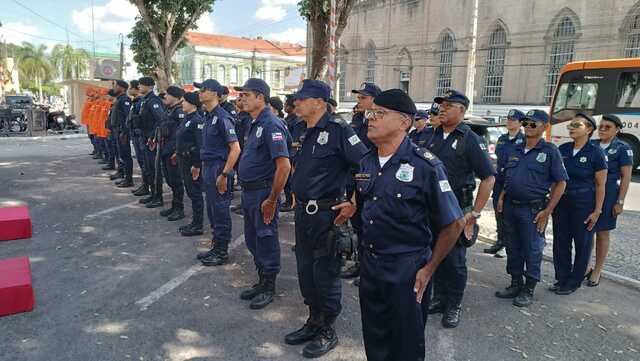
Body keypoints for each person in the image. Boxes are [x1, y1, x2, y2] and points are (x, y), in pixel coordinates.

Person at [357, 89, 464, 361]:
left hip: (406, 268)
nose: (371, 118)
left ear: (404, 122)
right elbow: (366, 202)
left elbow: (453, 223)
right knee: (375, 336)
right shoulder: (366, 161)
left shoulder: (426, 166)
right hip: (370, 264)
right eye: (371, 113)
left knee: (405, 344)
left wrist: (428, 270)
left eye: (379, 114)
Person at [284, 80, 367, 358]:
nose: (296, 102)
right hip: (303, 214)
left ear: (319, 102)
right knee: (305, 272)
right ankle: (313, 320)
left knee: (326, 275)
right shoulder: (299, 129)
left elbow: (365, 166)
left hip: (327, 215)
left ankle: (327, 328)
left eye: (301, 98)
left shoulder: (338, 130)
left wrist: (354, 202)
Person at [426, 89, 495, 328]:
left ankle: (453, 304)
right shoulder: (430, 135)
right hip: (431, 208)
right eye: (441, 105)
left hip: (457, 208)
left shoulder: (469, 139)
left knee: (454, 260)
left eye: (448, 105)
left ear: (462, 110)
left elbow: (488, 178)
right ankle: (439, 297)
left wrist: (474, 214)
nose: (442, 109)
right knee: (435, 253)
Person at [495, 110, 568, 307]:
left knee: (532, 249)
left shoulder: (550, 151)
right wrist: (501, 197)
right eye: (526, 123)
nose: (528, 126)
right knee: (512, 246)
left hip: (533, 210)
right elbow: (508, 178)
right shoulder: (516, 149)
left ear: (545, 127)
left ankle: (529, 287)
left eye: (533, 124)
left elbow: (561, 183)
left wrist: (548, 211)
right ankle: (515, 282)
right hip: (510, 207)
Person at [235, 78, 291, 309]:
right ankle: (261, 280)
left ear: (260, 97)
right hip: (250, 192)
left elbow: (284, 166)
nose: (242, 99)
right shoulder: (254, 123)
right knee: (252, 238)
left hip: (263, 193)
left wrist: (272, 199)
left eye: (246, 95)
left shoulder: (271, 124)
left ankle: (269, 285)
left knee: (265, 237)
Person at [552, 113, 607, 295]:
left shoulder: (596, 152)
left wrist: (597, 210)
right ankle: (561, 278)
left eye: (576, 125)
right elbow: (555, 178)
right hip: (562, 202)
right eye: (570, 125)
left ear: (589, 129)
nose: (571, 128)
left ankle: (574, 281)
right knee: (561, 241)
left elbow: (601, 184)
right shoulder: (564, 149)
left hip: (584, 203)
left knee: (582, 243)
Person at [193, 79, 241, 266]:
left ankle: (222, 251)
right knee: (212, 210)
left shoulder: (222, 117)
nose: (199, 93)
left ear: (214, 93)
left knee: (220, 210)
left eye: (203, 90)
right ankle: (216, 246)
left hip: (218, 168)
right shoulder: (208, 116)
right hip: (208, 166)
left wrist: (225, 174)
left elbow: (235, 148)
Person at [340, 82, 382, 282]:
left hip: (371, 180)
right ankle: (359, 263)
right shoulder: (357, 119)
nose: (359, 101)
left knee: (370, 227)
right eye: (358, 97)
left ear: (375, 100)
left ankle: (370, 269)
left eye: (363, 97)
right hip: (353, 179)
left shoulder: (380, 121)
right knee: (357, 225)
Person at [587, 114, 633, 286]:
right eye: (601, 126)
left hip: (609, 195)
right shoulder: (592, 144)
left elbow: (626, 176)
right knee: (587, 232)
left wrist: (620, 202)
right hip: (588, 194)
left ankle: (597, 270)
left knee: (602, 233)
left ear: (617, 130)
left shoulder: (622, 148)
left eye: (608, 127)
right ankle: (586, 266)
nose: (603, 130)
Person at [485, 109, 526, 257]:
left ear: (521, 123)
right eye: (508, 119)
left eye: (513, 120)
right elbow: (498, 157)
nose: (509, 122)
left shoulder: (524, 140)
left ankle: (510, 245)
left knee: (510, 213)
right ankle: (500, 241)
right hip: (500, 179)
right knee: (498, 212)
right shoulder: (502, 138)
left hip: (514, 181)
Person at [176, 92, 205, 237]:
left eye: (184, 102)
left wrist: (197, 165)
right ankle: (194, 222)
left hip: (191, 162)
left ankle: (198, 224)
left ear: (192, 104)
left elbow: (200, 145)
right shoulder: (187, 118)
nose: (182, 104)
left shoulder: (197, 120)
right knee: (191, 191)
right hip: (183, 159)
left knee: (195, 193)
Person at [157, 85, 186, 221]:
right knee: (170, 179)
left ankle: (179, 208)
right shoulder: (170, 110)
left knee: (176, 180)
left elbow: (182, 134)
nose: (165, 97)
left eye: (167, 95)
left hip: (173, 151)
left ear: (175, 97)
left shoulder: (179, 111)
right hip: (166, 149)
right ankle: (174, 206)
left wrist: (176, 151)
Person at [137, 76, 165, 208]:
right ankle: (152, 193)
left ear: (149, 87)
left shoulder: (154, 101)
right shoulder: (145, 100)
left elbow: (160, 120)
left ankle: (158, 197)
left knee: (154, 169)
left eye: (141, 85)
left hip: (151, 140)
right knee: (148, 167)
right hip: (144, 137)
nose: (139, 87)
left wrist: (153, 137)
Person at [129, 80, 151, 197]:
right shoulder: (137, 101)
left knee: (145, 162)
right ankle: (144, 185)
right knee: (142, 162)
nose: (129, 90)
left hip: (141, 135)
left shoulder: (142, 101)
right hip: (136, 135)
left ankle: (147, 186)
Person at [111, 80, 134, 188]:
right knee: (121, 155)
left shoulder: (125, 100)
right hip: (117, 131)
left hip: (122, 132)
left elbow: (127, 117)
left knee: (126, 156)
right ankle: (122, 174)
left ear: (122, 88)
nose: (114, 88)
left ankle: (129, 179)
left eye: (116, 86)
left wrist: (125, 132)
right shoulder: (119, 99)